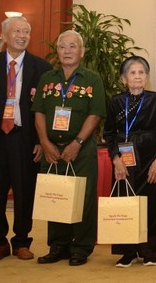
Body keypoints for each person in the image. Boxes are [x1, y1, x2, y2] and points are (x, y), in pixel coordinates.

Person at [0, 16, 52, 263]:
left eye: (26, 31)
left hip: (25, 138)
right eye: (17, 31)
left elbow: (45, 109)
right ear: (5, 35)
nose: (22, 35)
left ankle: (21, 242)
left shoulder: (41, 67)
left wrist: (42, 140)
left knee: (24, 191)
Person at [31, 30, 106, 266]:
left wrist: (77, 143)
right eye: (63, 46)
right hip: (52, 148)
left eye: (72, 46)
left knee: (82, 197)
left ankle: (81, 247)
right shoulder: (47, 78)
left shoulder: (92, 79)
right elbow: (39, 112)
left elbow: (95, 115)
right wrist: (44, 142)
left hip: (81, 149)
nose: (67, 51)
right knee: (55, 195)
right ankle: (58, 245)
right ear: (58, 51)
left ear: (81, 52)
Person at [103, 56, 156, 267]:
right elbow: (109, 134)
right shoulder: (115, 102)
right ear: (124, 79)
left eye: (142, 72)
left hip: (150, 157)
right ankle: (128, 252)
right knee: (126, 201)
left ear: (147, 77)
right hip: (125, 158)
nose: (138, 76)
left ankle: (149, 251)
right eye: (133, 72)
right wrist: (116, 161)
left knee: (152, 203)